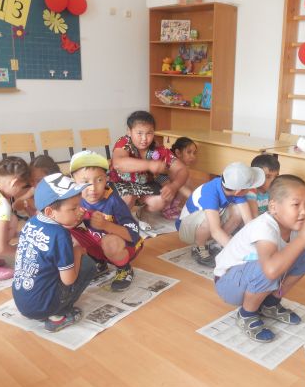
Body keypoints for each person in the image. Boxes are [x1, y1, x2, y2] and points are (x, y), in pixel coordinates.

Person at [213, 174, 305, 342]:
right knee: (268, 266)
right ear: (273, 207)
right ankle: (246, 314)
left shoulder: (301, 226)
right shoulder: (264, 226)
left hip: (252, 281)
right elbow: (270, 271)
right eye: (296, 204)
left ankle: (270, 303)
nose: (304, 211)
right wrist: (303, 237)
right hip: (228, 284)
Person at [12, 173, 96, 332]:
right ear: (50, 212)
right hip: (43, 306)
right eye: (73, 208)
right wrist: (77, 251)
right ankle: (58, 316)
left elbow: (18, 257)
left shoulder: (31, 222)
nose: (80, 210)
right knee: (88, 265)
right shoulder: (60, 235)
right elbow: (69, 280)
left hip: (23, 302)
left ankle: (46, 309)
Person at [69, 151, 143, 291]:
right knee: (66, 229)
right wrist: (74, 220)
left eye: (99, 180)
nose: (92, 188)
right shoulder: (75, 199)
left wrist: (106, 225)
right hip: (98, 243)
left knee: (110, 241)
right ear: (74, 181)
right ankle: (99, 263)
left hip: (125, 245)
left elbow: (133, 235)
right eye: (85, 182)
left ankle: (124, 268)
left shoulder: (113, 201)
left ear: (106, 178)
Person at [177, 162, 263, 267]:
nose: (251, 190)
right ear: (240, 191)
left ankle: (217, 244)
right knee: (209, 221)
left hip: (211, 223)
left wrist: (259, 243)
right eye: (250, 187)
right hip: (187, 228)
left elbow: (248, 221)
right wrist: (238, 252)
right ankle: (199, 247)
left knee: (238, 211)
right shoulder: (210, 192)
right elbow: (215, 230)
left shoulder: (233, 188)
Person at [109, 111, 188, 214]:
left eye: (149, 133)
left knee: (160, 201)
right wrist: (149, 165)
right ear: (129, 131)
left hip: (145, 186)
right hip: (120, 183)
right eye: (139, 133)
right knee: (127, 198)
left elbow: (182, 169)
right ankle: (122, 218)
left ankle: (141, 214)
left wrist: (174, 186)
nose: (144, 139)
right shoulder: (124, 142)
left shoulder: (158, 150)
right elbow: (118, 163)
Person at [158, 137, 198, 219]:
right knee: (170, 187)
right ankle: (166, 209)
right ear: (178, 153)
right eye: (189, 152)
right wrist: (196, 198)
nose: (193, 156)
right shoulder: (173, 161)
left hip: (173, 180)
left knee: (186, 181)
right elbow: (179, 186)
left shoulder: (183, 167)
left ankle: (173, 206)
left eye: (194, 153)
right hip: (161, 177)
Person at [246, 154, 280, 218]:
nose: (273, 180)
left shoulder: (274, 191)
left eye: (276, 176)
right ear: (257, 176)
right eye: (268, 177)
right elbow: (254, 217)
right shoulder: (251, 192)